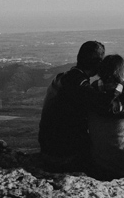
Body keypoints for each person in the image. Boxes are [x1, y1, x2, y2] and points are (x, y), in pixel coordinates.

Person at [38, 40, 105, 171]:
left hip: (49, 150)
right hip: (64, 157)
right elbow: (107, 107)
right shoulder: (79, 85)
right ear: (98, 63)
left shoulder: (63, 78)